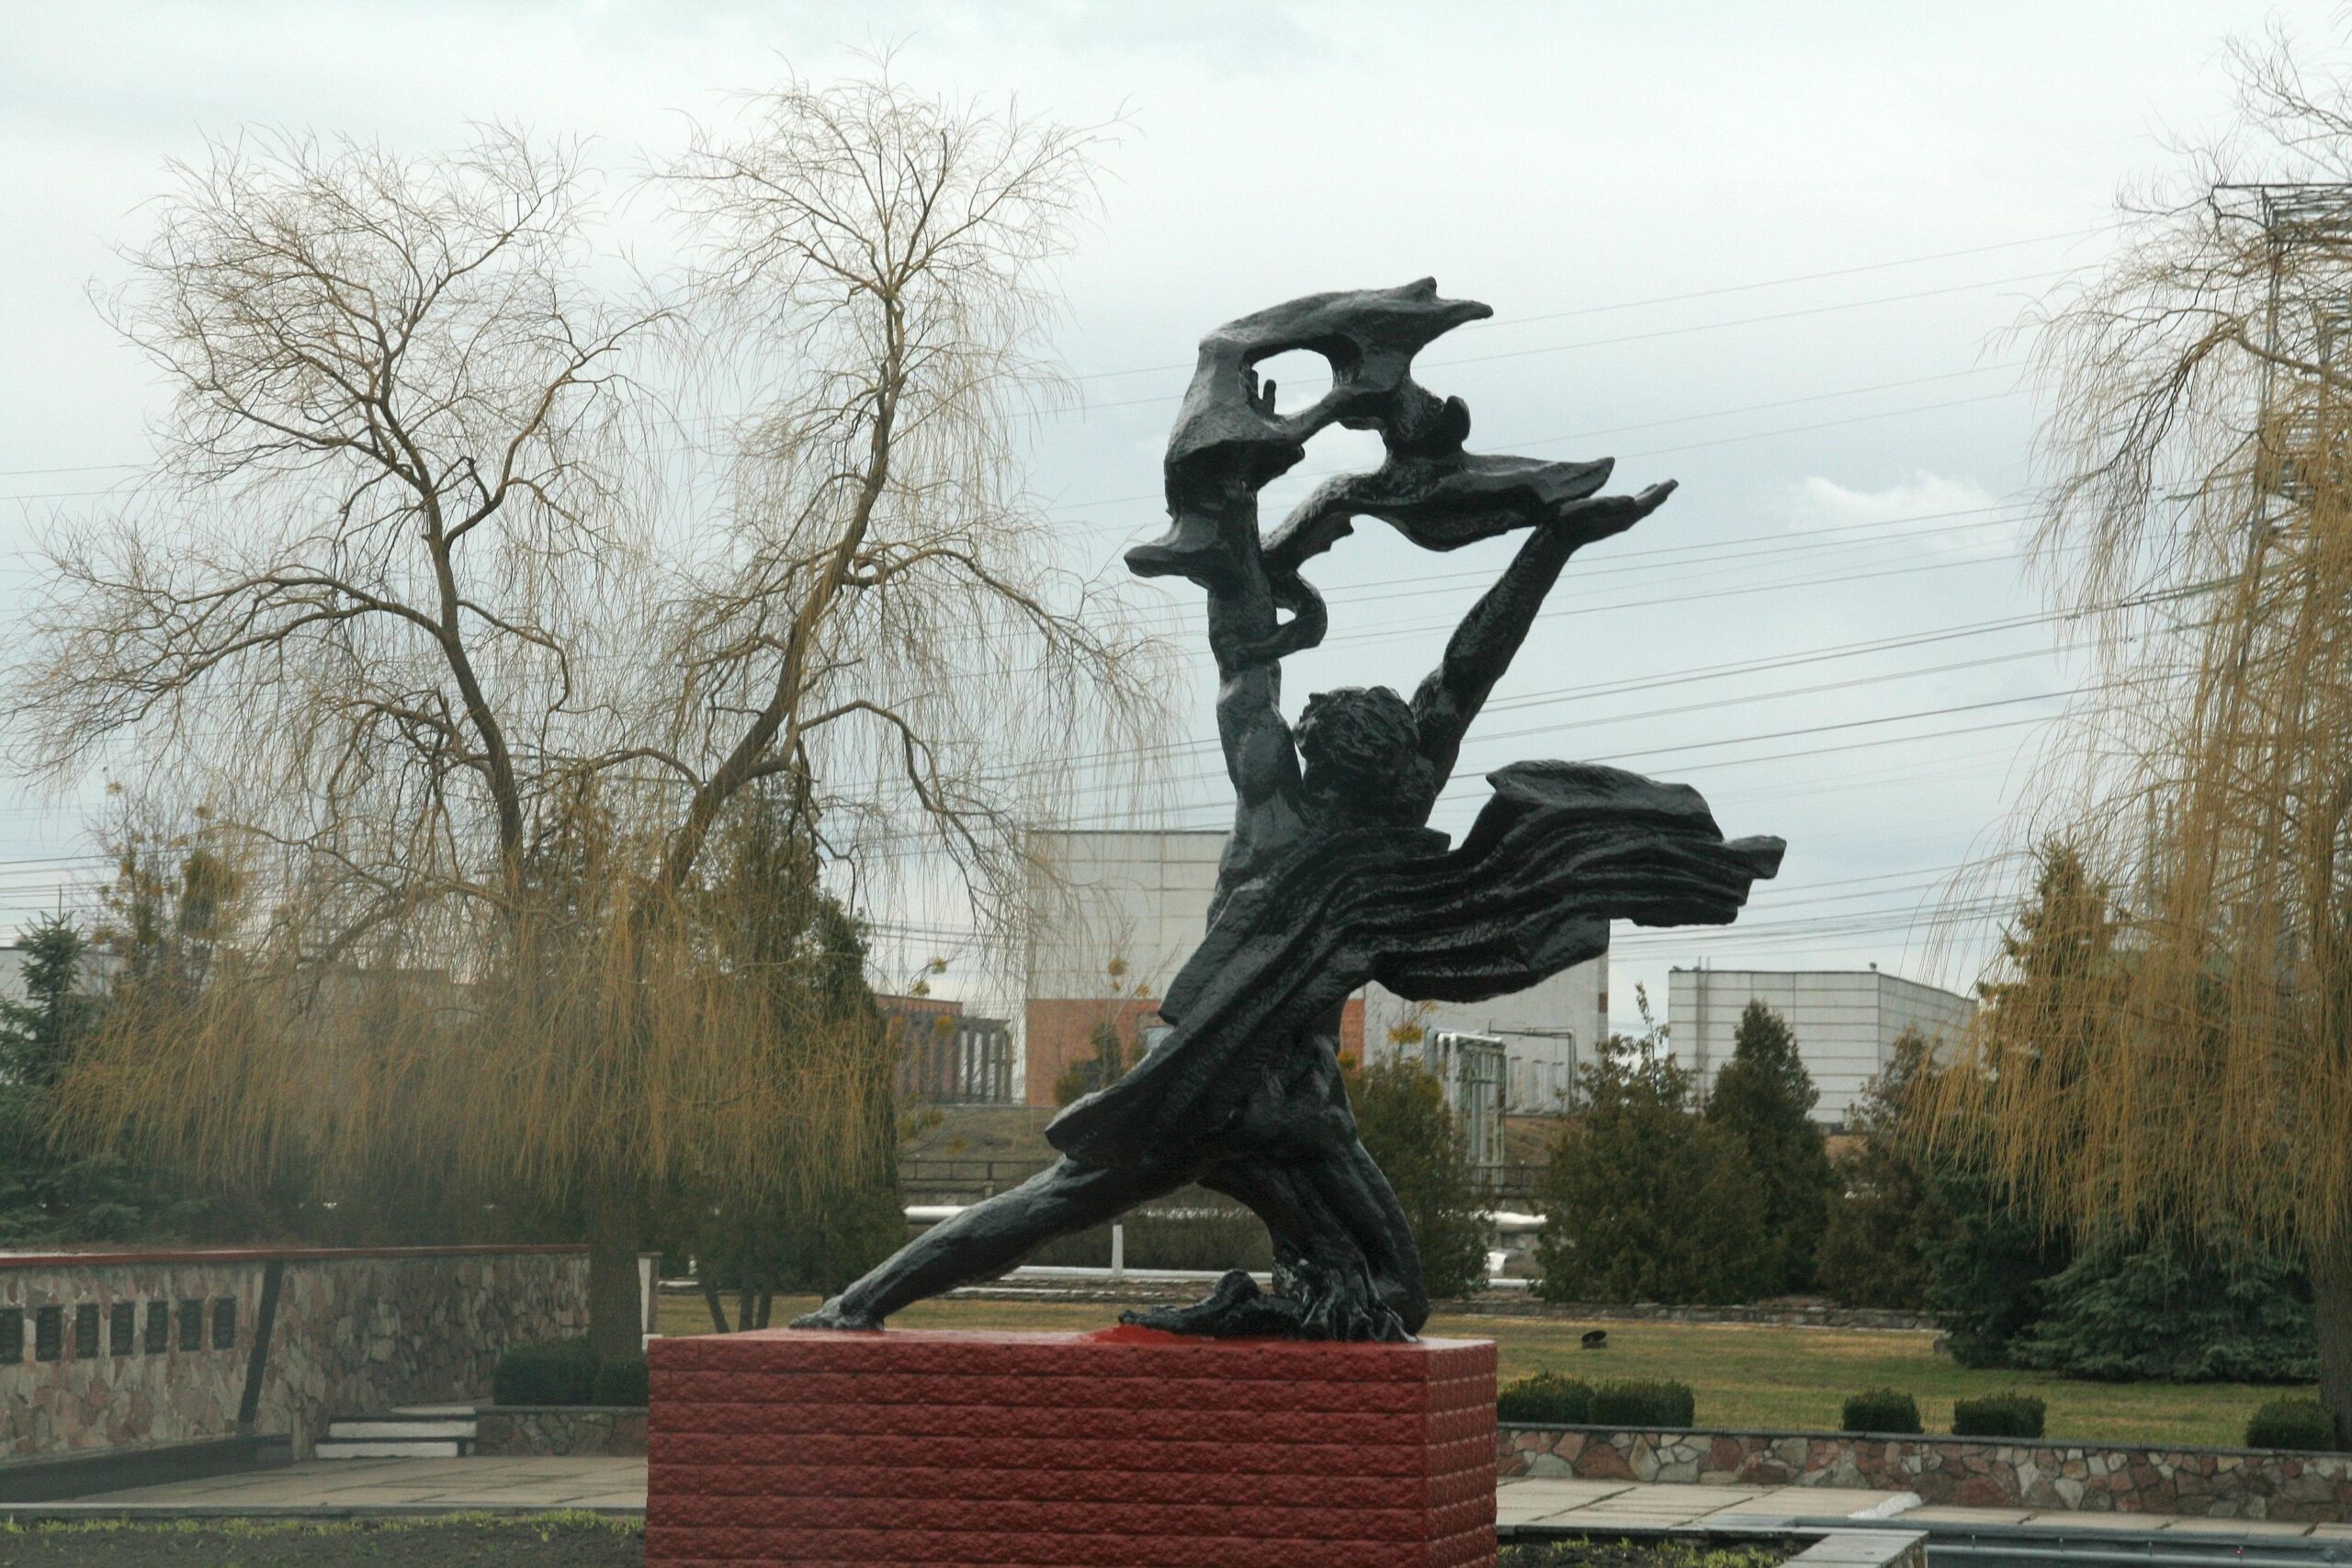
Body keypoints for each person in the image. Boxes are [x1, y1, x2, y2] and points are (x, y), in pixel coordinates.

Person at [793, 478, 1681, 1340]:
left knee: (1348, 1284)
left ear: (1313, 757)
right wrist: (1549, 545)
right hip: (1229, 1097)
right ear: (1386, 779)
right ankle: (864, 1301)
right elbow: (1461, 677)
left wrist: (1238, 533)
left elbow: (1249, 661)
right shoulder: (1377, 835)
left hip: (1265, 1106)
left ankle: (867, 1302)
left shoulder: (1279, 811)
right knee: (1364, 1287)